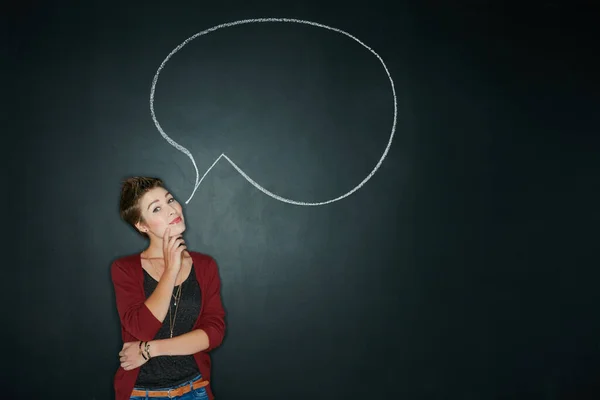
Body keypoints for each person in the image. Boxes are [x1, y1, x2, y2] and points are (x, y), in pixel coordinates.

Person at [110, 177, 226, 400]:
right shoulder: (125, 269)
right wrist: (171, 269)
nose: (172, 210)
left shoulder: (205, 266)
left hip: (194, 390)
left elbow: (214, 333)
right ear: (142, 225)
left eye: (170, 200)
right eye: (157, 209)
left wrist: (149, 350)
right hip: (142, 393)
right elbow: (142, 328)